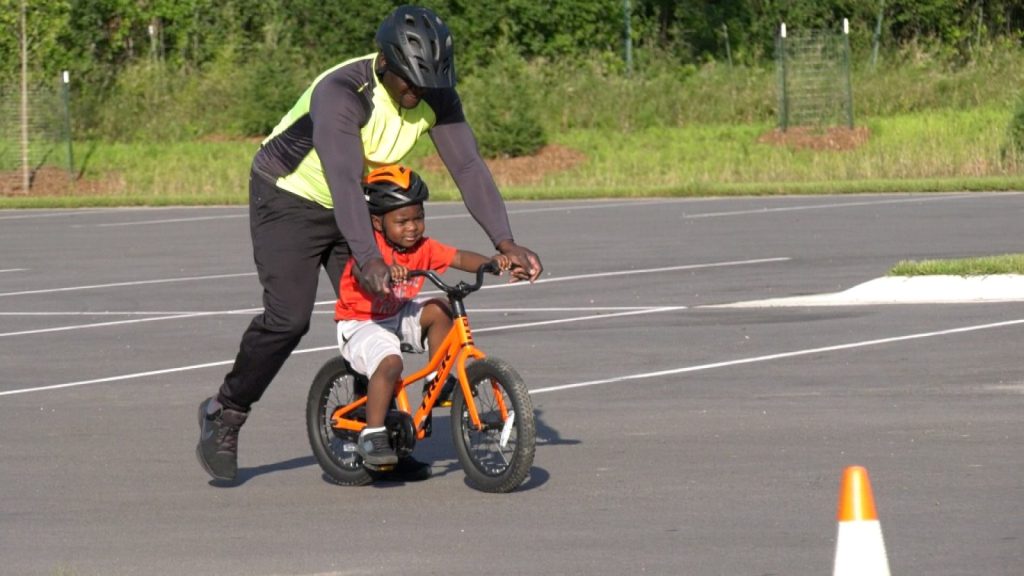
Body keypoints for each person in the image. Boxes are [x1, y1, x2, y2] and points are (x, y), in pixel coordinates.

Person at [197, 5, 542, 482]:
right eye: (411, 84)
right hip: (289, 198)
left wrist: (506, 241)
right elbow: (341, 179)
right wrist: (369, 258)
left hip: (357, 202)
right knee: (289, 317)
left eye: (430, 84)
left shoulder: (435, 93)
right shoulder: (343, 93)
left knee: (378, 309)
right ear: (387, 63)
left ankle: (381, 435)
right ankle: (226, 412)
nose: (419, 93)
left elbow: (467, 168)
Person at [336, 165, 510, 467]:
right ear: (378, 222)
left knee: (441, 308)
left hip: (397, 314)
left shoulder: (422, 247)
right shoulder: (369, 250)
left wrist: (492, 263)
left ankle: (436, 381)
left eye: (418, 218)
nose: (412, 227)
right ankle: (372, 434)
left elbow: (457, 257)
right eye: (402, 221)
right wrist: (384, 272)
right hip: (362, 322)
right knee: (391, 363)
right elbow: (363, 274)